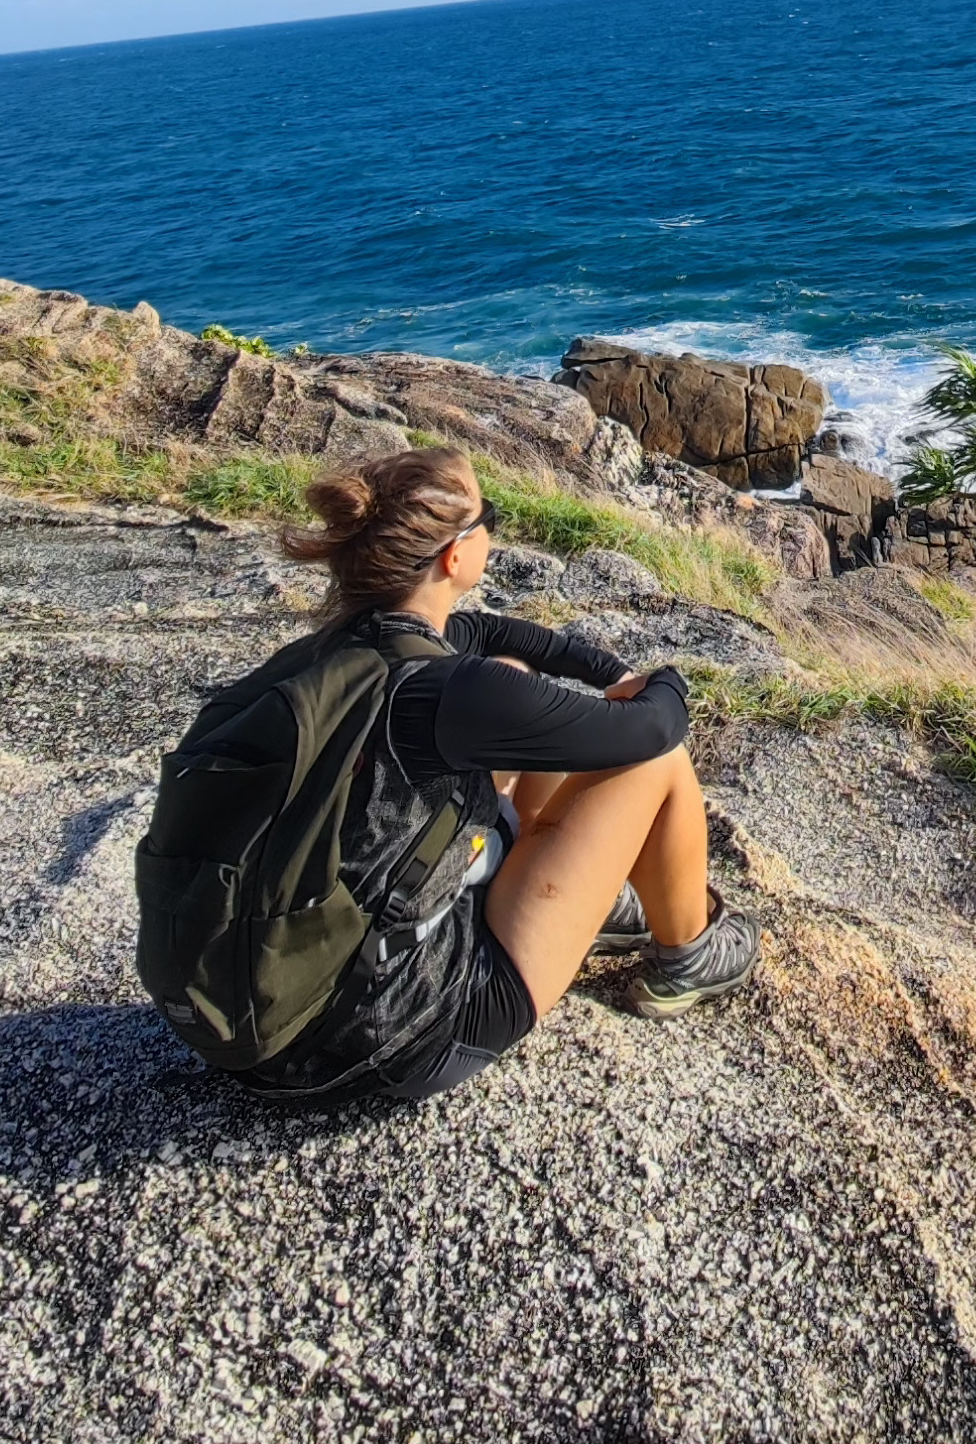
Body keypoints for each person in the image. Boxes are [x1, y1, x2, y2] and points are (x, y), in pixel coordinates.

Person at [242, 444, 757, 1106]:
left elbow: (499, 636)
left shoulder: (321, 661)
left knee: (517, 679)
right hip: (396, 1032)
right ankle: (688, 954)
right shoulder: (454, 693)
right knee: (655, 760)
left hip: (264, 1014)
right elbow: (654, 730)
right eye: (489, 515)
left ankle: (589, 906)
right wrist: (666, 684)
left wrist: (608, 675)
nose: (493, 525)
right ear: (455, 557)